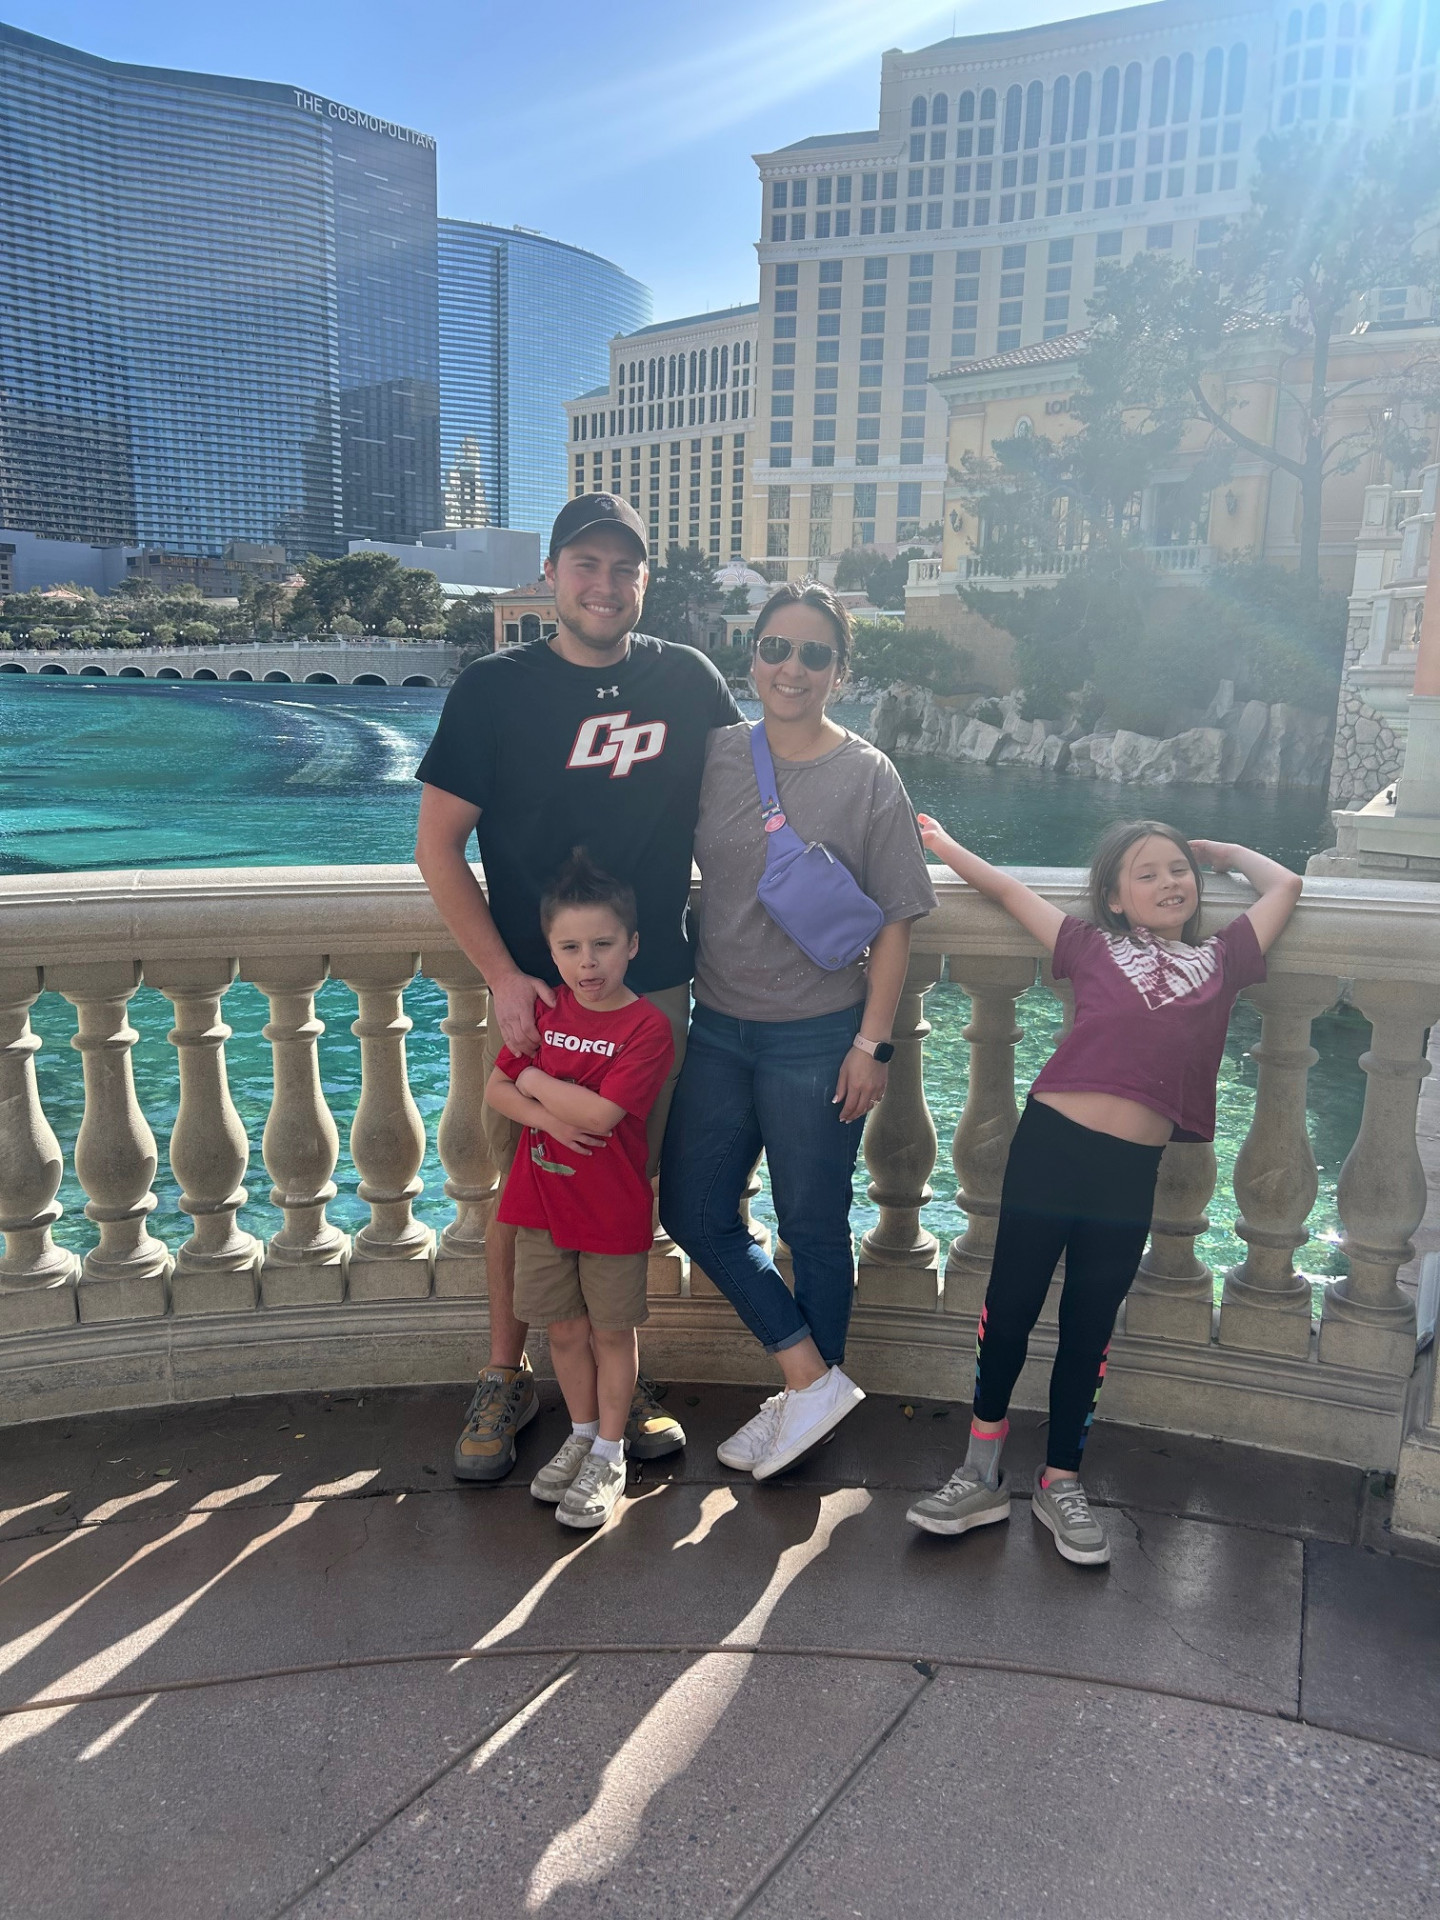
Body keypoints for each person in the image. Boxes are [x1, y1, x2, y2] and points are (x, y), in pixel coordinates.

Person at [415, 493, 743, 1484]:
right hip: (538, 995)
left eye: (624, 568)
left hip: (654, 991)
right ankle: (503, 1374)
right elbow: (437, 848)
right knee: (525, 1193)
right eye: (586, 565)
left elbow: (754, 808)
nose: (606, 585)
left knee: (621, 1184)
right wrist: (504, 977)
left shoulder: (687, 680)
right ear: (553, 575)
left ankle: (614, 1383)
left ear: (645, 581)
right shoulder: (494, 688)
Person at [906, 819, 1303, 1565]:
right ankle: (980, 1470)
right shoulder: (1090, 946)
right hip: (1049, 1148)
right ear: (1115, 900)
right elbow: (1008, 891)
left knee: (1089, 1324)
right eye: (1146, 874)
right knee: (1011, 1305)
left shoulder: (1223, 959)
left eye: (1178, 870)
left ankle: (1061, 1480)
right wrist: (947, 848)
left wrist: (1221, 853)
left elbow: (1286, 885)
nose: (1169, 883)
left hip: (1128, 1173)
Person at [659, 581, 937, 1481]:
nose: (792, 668)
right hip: (717, 1026)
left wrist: (871, 1044)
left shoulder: (868, 774)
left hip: (820, 1036)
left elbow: (897, 919)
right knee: (692, 1210)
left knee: (813, 1224)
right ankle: (810, 1379)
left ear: (840, 672)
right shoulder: (715, 756)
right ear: (752, 657)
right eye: (776, 648)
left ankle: (808, 1403)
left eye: (815, 654)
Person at [485, 850, 674, 1529]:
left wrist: (533, 1081)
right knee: (563, 1330)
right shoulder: (546, 1010)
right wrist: (544, 1116)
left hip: (610, 1210)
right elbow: (495, 1089)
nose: (587, 963)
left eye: (602, 945)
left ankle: (612, 1452)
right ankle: (583, 1433)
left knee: (612, 1333)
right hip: (541, 1205)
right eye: (570, 948)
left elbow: (600, 1117)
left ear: (633, 945)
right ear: (551, 951)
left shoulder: (646, 1026)